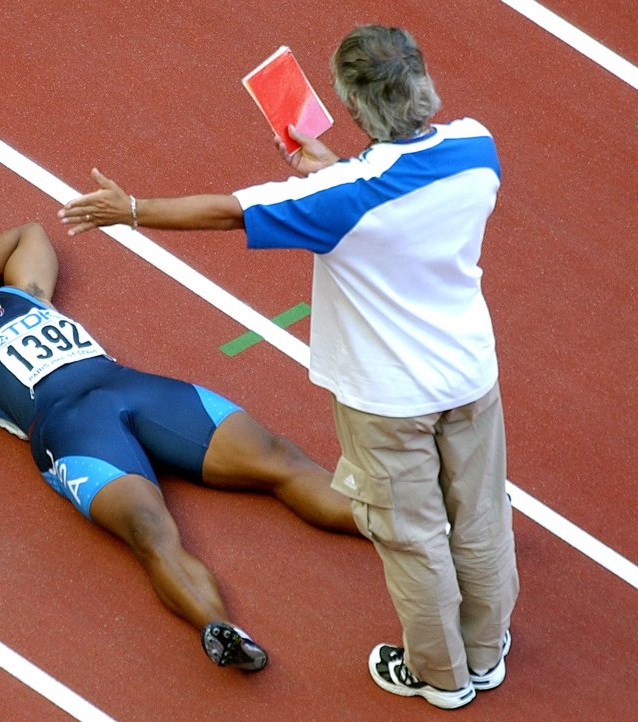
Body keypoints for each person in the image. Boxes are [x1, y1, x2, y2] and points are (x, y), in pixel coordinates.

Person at [58, 24, 518, 709]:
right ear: (419, 83)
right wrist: (337, 168)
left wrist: (130, 209)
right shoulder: (476, 147)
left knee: (412, 538)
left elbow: (227, 212)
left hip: (388, 400)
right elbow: (392, 184)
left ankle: (441, 676)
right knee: (479, 518)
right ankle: (485, 652)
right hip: (470, 374)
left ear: (359, 107)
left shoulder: (337, 202)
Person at [0, 221, 361, 672]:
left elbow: (26, 232)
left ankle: (404, 525)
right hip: (74, 432)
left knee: (282, 460)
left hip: (138, 389)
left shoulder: (21, 295)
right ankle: (220, 630)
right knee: (151, 533)